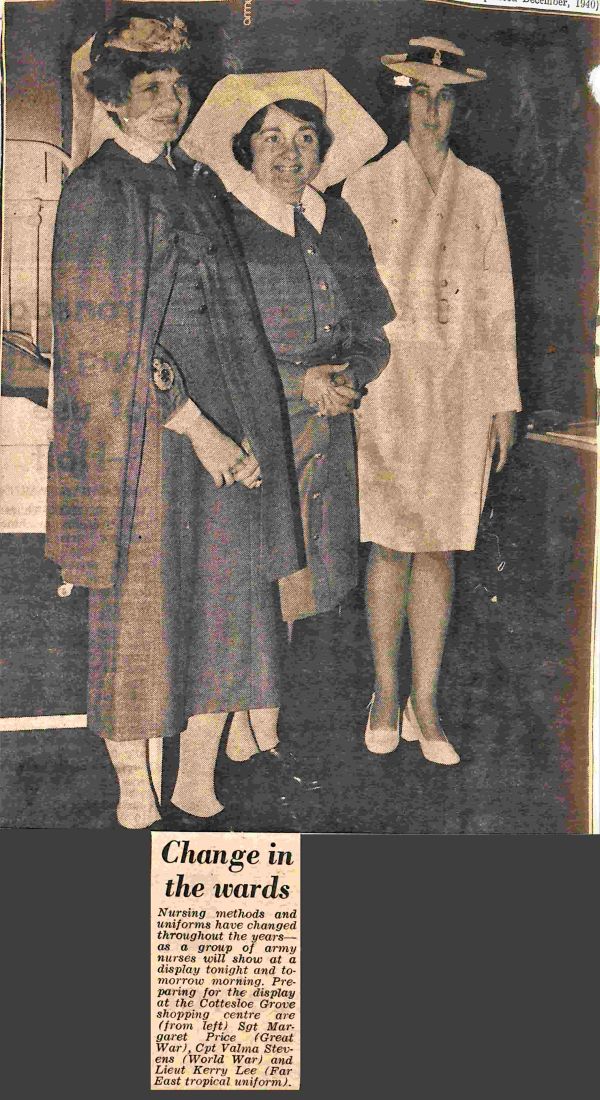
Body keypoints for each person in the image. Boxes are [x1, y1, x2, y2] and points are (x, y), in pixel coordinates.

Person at [46, 11, 301, 827]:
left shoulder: (195, 185)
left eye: (178, 85)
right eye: (149, 88)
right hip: (147, 439)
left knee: (227, 602)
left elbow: (234, 321)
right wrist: (195, 423)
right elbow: (98, 347)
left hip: (226, 428)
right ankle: (134, 789)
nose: (170, 100)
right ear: (115, 101)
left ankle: (196, 776)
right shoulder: (97, 189)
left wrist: (250, 432)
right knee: (143, 609)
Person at [343, 38, 521, 764]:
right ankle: (385, 691)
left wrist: (503, 401)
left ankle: (428, 701)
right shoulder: (363, 187)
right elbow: (349, 306)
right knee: (390, 541)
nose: (431, 110)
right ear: (400, 98)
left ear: (459, 108)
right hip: (386, 388)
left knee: (442, 544)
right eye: (419, 93)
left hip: (457, 389)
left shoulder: (480, 192)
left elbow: (498, 305)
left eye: (445, 97)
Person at [181, 70, 393, 633]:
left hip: (328, 429)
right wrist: (302, 382)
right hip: (255, 428)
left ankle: (268, 722)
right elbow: (210, 342)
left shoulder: (338, 221)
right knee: (252, 593)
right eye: (271, 136)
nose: (290, 152)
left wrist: (351, 374)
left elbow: (374, 333)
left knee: (312, 586)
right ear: (245, 146)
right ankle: (247, 722)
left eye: (305, 137)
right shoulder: (222, 221)